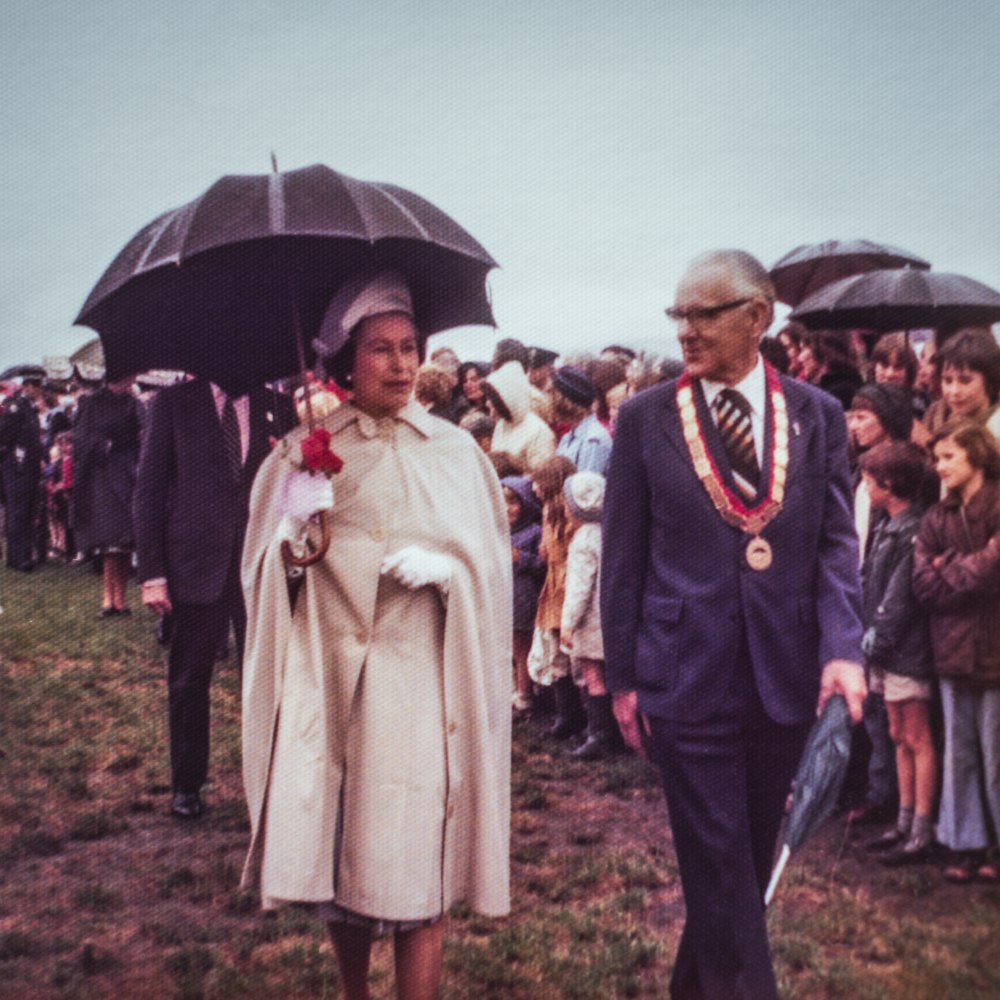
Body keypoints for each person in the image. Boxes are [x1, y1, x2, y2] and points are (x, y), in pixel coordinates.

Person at [239, 270, 511, 1000]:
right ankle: (355, 991)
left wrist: (451, 571)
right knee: (347, 857)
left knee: (417, 856)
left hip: (421, 687)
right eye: (380, 349)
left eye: (409, 347)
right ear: (346, 361)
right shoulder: (303, 451)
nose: (398, 364)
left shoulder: (457, 455)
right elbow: (267, 573)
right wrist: (297, 529)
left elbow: (491, 567)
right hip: (334, 686)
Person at [602, 249, 866, 1000]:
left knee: (741, 871)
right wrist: (620, 675)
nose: (685, 330)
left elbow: (834, 545)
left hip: (783, 678)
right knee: (719, 864)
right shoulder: (645, 418)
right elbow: (623, 556)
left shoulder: (818, 417)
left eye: (703, 313)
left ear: (759, 316)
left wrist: (843, 649)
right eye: (676, 314)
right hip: (683, 677)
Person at [134, 373, 296, 819]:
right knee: (189, 680)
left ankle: (270, 778)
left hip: (260, 563)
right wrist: (153, 573)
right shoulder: (172, 404)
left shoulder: (277, 407)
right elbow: (148, 491)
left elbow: (294, 487)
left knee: (267, 676)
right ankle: (187, 783)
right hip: (193, 566)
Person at [913, 421, 1000, 885]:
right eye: (937, 457)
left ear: (978, 456)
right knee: (960, 753)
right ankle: (965, 843)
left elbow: (994, 568)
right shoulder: (937, 516)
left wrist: (950, 567)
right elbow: (922, 583)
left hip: (993, 646)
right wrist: (972, 566)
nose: (939, 467)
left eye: (949, 456)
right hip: (951, 646)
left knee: (996, 755)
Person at [856, 441, 938, 866]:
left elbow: (900, 597)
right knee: (897, 734)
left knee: (917, 736)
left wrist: (877, 639)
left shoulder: (910, 531)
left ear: (889, 484)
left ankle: (921, 827)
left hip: (905, 651)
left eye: (870, 481)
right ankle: (903, 822)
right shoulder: (888, 526)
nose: (865, 487)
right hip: (887, 652)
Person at [71, 375, 143, 617]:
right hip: (103, 475)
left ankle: (120, 600)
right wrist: (104, 446)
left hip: (128, 474)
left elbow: (141, 434)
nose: (128, 384)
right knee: (111, 542)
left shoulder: (132, 403)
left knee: (125, 542)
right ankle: (107, 599)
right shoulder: (91, 402)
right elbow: (80, 437)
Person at [560, 470, 620, 759]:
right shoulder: (613, 531)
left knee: (593, 675)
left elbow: (579, 587)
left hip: (589, 619)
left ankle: (600, 735)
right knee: (610, 674)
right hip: (611, 616)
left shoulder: (584, 539)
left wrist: (569, 623)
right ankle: (615, 730)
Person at [503, 475, 545, 713]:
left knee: (522, 649)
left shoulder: (533, 532)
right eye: (502, 503)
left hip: (523, 598)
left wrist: (522, 559)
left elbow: (543, 564)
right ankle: (511, 690)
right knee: (508, 648)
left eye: (513, 502)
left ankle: (525, 695)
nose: (507, 509)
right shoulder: (499, 531)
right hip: (503, 598)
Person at [481, 361, 556, 474]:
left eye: (492, 399)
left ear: (505, 398)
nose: (487, 404)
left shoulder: (538, 432)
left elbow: (542, 477)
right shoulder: (502, 425)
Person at [552, 366, 613, 475]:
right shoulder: (569, 437)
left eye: (554, 395)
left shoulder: (594, 440)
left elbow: (585, 488)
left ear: (566, 402)